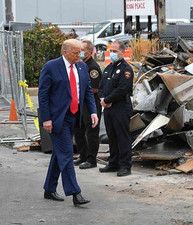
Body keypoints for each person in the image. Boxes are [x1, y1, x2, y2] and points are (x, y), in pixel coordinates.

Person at [38, 39, 99, 206]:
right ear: (65, 52)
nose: (79, 55)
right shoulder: (51, 67)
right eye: (75, 52)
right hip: (58, 119)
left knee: (59, 154)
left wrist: (93, 111)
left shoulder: (82, 67)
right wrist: (46, 118)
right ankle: (75, 193)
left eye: (80, 52)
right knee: (66, 154)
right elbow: (43, 96)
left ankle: (49, 188)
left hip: (75, 116)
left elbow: (86, 91)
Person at [98, 40, 134, 177]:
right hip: (108, 108)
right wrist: (103, 99)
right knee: (111, 136)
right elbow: (101, 87)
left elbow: (123, 89)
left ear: (122, 52)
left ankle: (125, 165)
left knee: (122, 137)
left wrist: (108, 100)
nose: (112, 53)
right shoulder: (108, 68)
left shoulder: (126, 69)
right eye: (110, 51)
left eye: (114, 51)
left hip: (120, 107)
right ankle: (113, 163)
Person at [73, 40, 102, 169]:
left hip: (91, 103)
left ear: (89, 52)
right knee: (79, 131)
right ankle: (82, 155)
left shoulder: (93, 68)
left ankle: (91, 159)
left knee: (91, 132)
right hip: (80, 103)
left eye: (82, 50)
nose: (80, 53)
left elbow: (95, 89)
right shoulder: (79, 65)